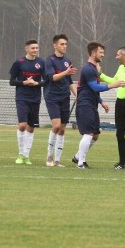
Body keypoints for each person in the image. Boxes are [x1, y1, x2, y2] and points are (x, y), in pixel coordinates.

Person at [73, 42, 122, 169]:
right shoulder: (88, 69)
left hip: (92, 104)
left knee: (95, 135)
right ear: (93, 53)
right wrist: (112, 85)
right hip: (85, 104)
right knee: (89, 133)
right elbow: (94, 87)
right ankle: (81, 163)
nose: (103, 55)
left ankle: (78, 156)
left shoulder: (94, 69)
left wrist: (101, 101)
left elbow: (91, 88)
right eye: (101, 52)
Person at [99, 46, 125, 169]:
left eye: (118, 55)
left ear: (124, 55)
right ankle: (122, 162)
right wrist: (100, 75)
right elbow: (113, 81)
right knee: (119, 133)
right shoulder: (121, 67)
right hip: (120, 103)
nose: (116, 57)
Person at [9, 39, 47, 165]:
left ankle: (26, 155)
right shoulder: (19, 63)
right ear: (27, 49)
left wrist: (37, 83)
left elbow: (47, 80)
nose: (35, 50)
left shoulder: (41, 62)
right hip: (22, 97)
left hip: (35, 98)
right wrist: (24, 82)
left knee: (31, 127)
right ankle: (20, 154)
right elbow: (12, 81)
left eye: (36, 48)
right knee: (22, 125)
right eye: (32, 48)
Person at [44, 34, 77, 167]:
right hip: (52, 96)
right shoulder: (49, 60)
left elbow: (69, 81)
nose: (64, 47)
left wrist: (76, 94)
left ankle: (57, 160)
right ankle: (49, 157)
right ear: (55, 45)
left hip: (65, 96)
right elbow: (52, 78)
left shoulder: (67, 61)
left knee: (62, 129)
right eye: (62, 44)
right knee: (56, 126)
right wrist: (66, 72)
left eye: (66, 44)